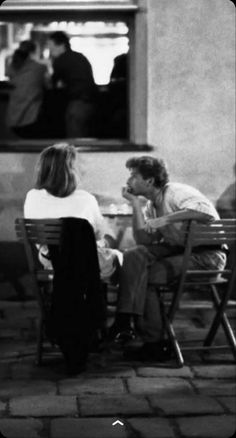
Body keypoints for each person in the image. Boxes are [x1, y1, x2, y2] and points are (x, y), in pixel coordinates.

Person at [110, 156, 227, 361]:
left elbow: (205, 212)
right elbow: (143, 240)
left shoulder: (176, 191)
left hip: (207, 255)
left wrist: (164, 219)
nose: (128, 181)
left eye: (134, 176)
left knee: (147, 275)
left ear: (149, 181)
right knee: (134, 255)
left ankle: (154, 343)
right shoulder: (151, 205)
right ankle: (123, 320)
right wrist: (136, 205)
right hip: (181, 250)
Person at [24, 142, 121, 281]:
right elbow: (101, 235)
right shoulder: (86, 199)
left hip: (51, 263)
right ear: (70, 171)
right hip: (86, 263)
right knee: (122, 259)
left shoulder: (32, 196)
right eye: (78, 166)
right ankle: (119, 301)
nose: (82, 171)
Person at [48, 31, 98, 138]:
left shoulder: (61, 60)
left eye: (51, 47)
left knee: (75, 139)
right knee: (85, 136)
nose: (50, 51)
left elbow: (52, 83)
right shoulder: (79, 57)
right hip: (90, 102)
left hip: (77, 104)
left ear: (61, 45)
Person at [6, 40, 48, 138]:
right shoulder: (40, 68)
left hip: (13, 116)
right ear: (33, 52)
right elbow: (49, 85)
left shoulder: (12, 66)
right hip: (31, 115)